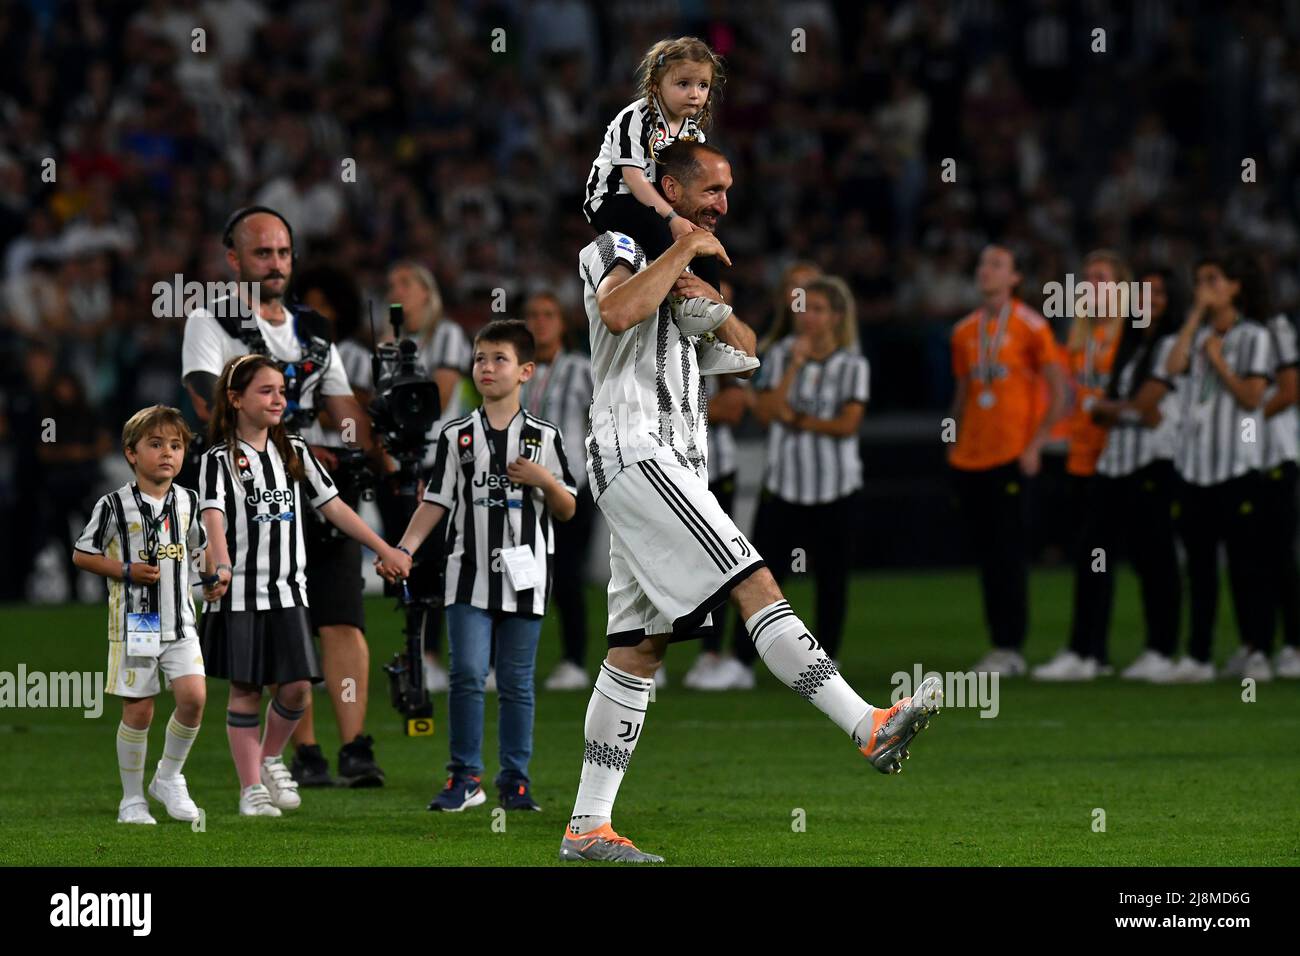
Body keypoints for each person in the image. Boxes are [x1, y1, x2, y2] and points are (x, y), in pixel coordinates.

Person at [559, 141, 942, 864]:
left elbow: (746, 350)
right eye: (712, 191)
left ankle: (587, 827)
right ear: (666, 187)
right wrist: (681, 259)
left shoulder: (688, 268)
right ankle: (868, 726)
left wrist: (713, 300)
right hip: (637, 450)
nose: (723, 206)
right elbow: (615, 313)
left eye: (729, 193)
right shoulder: (614, 244)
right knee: (752, 578)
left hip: (673, 461)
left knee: (637, 649)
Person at [181, 206, 389, 789]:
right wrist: (293, 442)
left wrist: (373, 448)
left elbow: (343, 410)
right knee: (276, 616)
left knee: (342, 616)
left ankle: (353, 746)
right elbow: (205, 405)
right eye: (262, 253)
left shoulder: (315, 329)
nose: (276, 264)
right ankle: (303, 751)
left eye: (283, 252)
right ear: (234, 260)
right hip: (248, 492)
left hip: (316, 487)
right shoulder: (209, 321)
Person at [198, 354, 410, 816]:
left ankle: (271, 757)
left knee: (295, 688)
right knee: (248, 689)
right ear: (235, 399)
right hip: (239, 594)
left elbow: (332, 506)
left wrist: (385, 548)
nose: (279, 399)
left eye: (281, 391)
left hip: (289, 592)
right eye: (266, 391)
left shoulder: (293, 449)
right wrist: (221, 562)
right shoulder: (218, 459)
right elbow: (212, 513)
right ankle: (250, 787)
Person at [378, 320, 577, 813]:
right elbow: (436, 502)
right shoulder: (456, 435)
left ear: (526, 371)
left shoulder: (544, 438)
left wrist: (544, 481)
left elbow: (568, 508)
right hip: (467, 575)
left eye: (499, 359)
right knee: (467, 674)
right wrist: (403, 549)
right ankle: (465, 775)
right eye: (480, 358)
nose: (486, 368)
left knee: (516, 683)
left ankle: (516, 780)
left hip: (526, 577)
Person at [71, 405, 211, 825]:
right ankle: (131, 800)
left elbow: (196, 552)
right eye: (155, 445)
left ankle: (168, 777)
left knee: (194, 698)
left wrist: (210, 583)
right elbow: (82, 554)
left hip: (182, 620)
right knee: (140, 710)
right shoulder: (114, 506)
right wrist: (125, 570)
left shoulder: (188, 501)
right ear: (131, 454)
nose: (167, 453)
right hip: (140, 622)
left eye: (176, 445)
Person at [581, 36, 752, 376]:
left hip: (655, 205)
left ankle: (709, 329)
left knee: (701, 240)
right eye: (684, 83)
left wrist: (688, 228)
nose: (695, 94)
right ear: (657, 86)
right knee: (670, 236)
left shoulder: (694, 133)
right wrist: (672, 217)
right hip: (613, 200)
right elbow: (635, 179)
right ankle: (680, 300)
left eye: (703, 85)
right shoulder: (635, 117)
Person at [729, 275, 869, 681]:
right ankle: (741, 660)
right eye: (806, 308)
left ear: (837, 317)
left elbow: (847, 424)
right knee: (759, 576)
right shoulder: (784, 353)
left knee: (832, 579)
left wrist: (798, 418)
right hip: (785, 484)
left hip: (835, 487)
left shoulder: (852, 364)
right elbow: (768, 411)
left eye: (820, 309)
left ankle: (828, 658)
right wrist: (795, 366)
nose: (809, 317)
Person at [949, 244, 1067, 676]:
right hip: (971, 459)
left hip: (1011, 456)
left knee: (1008, 554)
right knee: (987, 554)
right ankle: (1000, 644)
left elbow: (1060, 391)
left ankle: (1010, 646)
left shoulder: (1032, 326)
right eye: (981, 263)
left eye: (997, 264)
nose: (986, 271)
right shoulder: (963, 331)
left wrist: (1036, 445)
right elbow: (963, 393)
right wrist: (953, 440)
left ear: (1015, 277)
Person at [1163, 252, 1273, 683]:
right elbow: (1172, 367)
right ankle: (1198, 656)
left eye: (1212, 279)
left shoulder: (1253, 337)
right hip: (1194, 469)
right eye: (1198, 281)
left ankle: (1258, 650)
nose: (1203, 287)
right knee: (1200, 569)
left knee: (1247, 566)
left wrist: (1219, 359)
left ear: (1234, 287)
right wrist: (1194, 320)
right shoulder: (1195, 335)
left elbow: (1251, 397)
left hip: (1237, 467)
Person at [1077, 267, 1186, 682]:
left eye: (1159, 294)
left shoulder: (1173, 345)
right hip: (1117, 459)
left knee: (1154, 557)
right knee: (1094, 555)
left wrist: (1114, 409)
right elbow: (1135, 408)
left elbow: (1141, 407)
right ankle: (1088, 651)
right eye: (1145, 294)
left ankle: (1162, 648)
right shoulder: (1132, 347)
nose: (1151, 302)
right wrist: (1125, 409)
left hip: (1154, 461)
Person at [1033, 251, 1131, 681]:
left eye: (1101, 278)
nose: (1091, 286)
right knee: (1093, 555)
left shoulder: (1129, 335)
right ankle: (1093, 652)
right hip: (1082, 457)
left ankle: (1089, 651)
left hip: (1119, 459)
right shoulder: (1080, 339)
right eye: (1087, 279)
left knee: (1108, 554)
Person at [385, 259, 474, 696]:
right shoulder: (391, 339)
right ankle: (413, 650)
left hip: (439, 457)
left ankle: (434, 653)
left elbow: (437, 398)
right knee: (404, 557)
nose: (394, 289)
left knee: (438, 556)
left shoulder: (447, 336)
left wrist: (399, 427)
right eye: (391, 284)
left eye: (404, 281)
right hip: (399, 460)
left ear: (425, 291)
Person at [521, 291, 598, 692]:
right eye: (532, 314)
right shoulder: (513, 368)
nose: (540, 321)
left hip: (572, 487)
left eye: (548, 314)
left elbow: (603, 418)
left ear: (563, 323)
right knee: (517, 576)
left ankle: (573, 661)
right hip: (520, 490)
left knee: (567, 576)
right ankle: (509, 662)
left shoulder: (582, 368)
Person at [1255, 309, 1300, 680]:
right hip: (1239, 460)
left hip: (1276, 454)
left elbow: (1288, 392)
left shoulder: (1274, 328)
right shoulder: (1215, 332)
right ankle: (1256, 645)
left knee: (1279, 555)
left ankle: (1292, 644)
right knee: (1248, 558)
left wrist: (1243, 428)